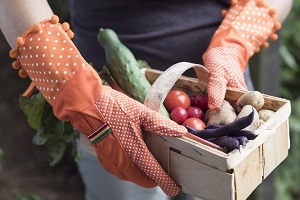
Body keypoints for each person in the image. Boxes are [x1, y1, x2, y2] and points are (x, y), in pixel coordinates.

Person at [0, 0, 292, 200]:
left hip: (219, 94)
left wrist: (237, 40)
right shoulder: (97, 100)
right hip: (107, 97)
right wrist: (81, 94)